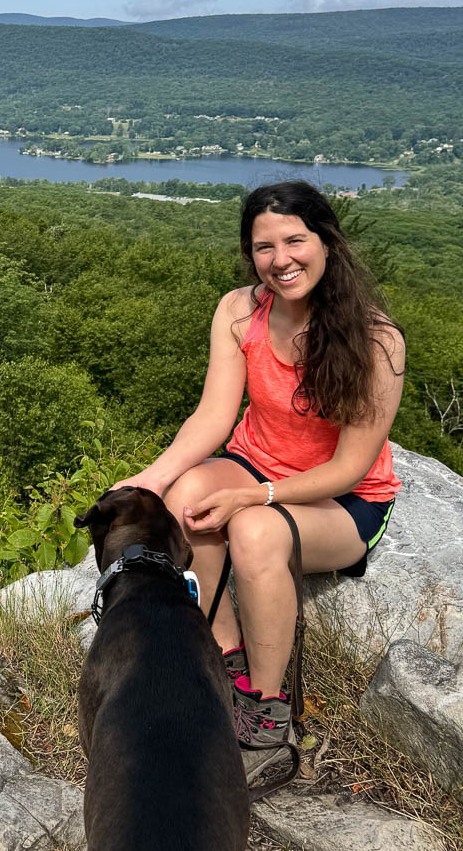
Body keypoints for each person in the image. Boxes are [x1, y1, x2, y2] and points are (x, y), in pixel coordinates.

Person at [114, 180, 404, 751]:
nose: (280, 260)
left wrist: (254, 497)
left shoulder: (377, 341)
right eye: (263, 248)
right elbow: (212, 416)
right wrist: (152, 477)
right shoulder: (240, 311)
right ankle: (225, 652)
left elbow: (350, 467)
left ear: (327, 241)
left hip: (345, 500)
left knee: (251, 531)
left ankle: (267, 705)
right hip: (254, 461)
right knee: (184, 501)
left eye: (295, 241)